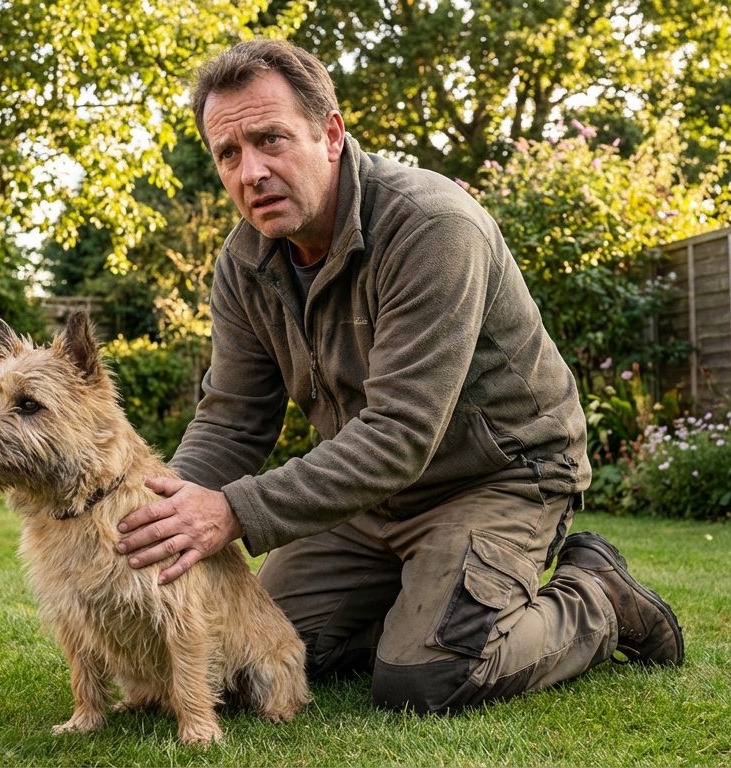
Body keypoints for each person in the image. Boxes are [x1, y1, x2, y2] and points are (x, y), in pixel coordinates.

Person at [114, 39, 683, 713]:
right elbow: (233, 417)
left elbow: (401, 432)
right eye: (228, 153)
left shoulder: (431, 226)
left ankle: (599, 599)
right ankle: (427, 598)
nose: (251, 172)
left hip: (499, 476)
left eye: (271, 140)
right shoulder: (245, 263)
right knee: (253, 654)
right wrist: (158, 515)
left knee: (428, 677)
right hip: (366, 498)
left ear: (330, 134)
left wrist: (234, 510)